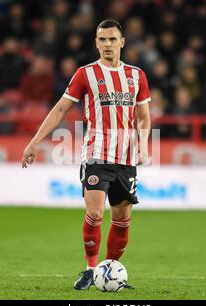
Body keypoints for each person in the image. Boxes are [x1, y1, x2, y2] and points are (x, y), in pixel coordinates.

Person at [21, 20, 151, 290]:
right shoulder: (85, 74)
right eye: (102, 39)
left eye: (112, 39)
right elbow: (60, 110)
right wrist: (35, 142)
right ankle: (91, 269)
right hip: (96, 154)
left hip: (126, 158)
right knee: (94, 212)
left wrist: (143, 143)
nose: (107, 44)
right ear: (96, 42)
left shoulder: (137, 75)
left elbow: (144, 117)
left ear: (122, 42)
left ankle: (110, 271)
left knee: (122, 219)